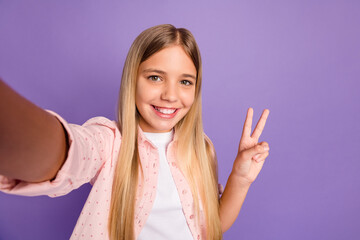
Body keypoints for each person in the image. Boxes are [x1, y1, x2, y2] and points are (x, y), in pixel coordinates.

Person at [0, 24, 270, 240]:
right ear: (133, 79)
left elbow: (212, 227)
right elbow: (72, 151)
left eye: (185, 82)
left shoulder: (202, 149)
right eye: (155, 77)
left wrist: (241, 178)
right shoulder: (109, 142)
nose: (170, 95)